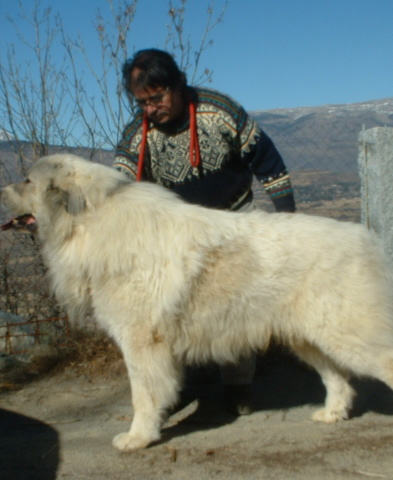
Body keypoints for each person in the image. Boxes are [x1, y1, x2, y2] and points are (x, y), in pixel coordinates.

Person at [113, 48, 296, 415]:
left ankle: (238, 385)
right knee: (173, 311)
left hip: (234, 220)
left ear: (178, 85)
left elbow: (267, 160)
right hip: (177, 234)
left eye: (158, 97)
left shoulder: (220, 111)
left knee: (235, 303)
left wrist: (287, 220)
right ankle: (173, 387)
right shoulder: (138, 133)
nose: (151, 109)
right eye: (142, 102)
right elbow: (118, 183)